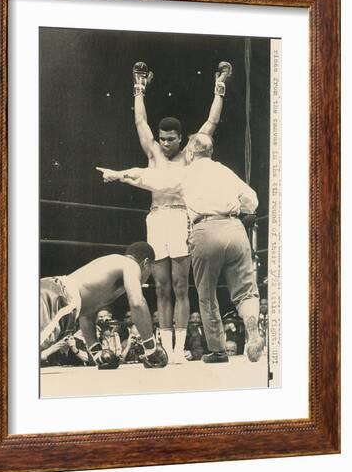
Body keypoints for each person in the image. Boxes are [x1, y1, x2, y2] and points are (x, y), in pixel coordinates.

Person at [96, 132, 264, 363]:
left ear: (192, 152)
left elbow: (147, 177)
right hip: (235, 228)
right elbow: (253, 200)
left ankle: (218, 350)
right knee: (245, 290)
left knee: (206, 295)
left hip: (205, 229)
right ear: (210, 152)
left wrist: (119, 175)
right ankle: (252, 324)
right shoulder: (225, 171)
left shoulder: (185, 174)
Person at [130, 61, 233, 363]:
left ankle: (178, 350)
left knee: (179, 286)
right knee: (161, 287)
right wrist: (139, 88)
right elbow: (139, 121)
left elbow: (211, 123)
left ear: (180, 138)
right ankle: (164, 348)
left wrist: (220, 86)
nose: (164, 144)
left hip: (179, 218)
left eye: (170, 139)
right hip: (156, 219)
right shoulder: (153, 152)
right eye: (161, 139)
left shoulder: (190, 154)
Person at [40, 242, 168, 369]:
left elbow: (87, 313)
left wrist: (96, 352)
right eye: (150, 271)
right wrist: (151, 347)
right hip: (59, 298)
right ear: (146, 263)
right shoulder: (131, 265)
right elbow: (137, 303)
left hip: (53, 291)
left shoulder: (111, 266)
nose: (146, 277)